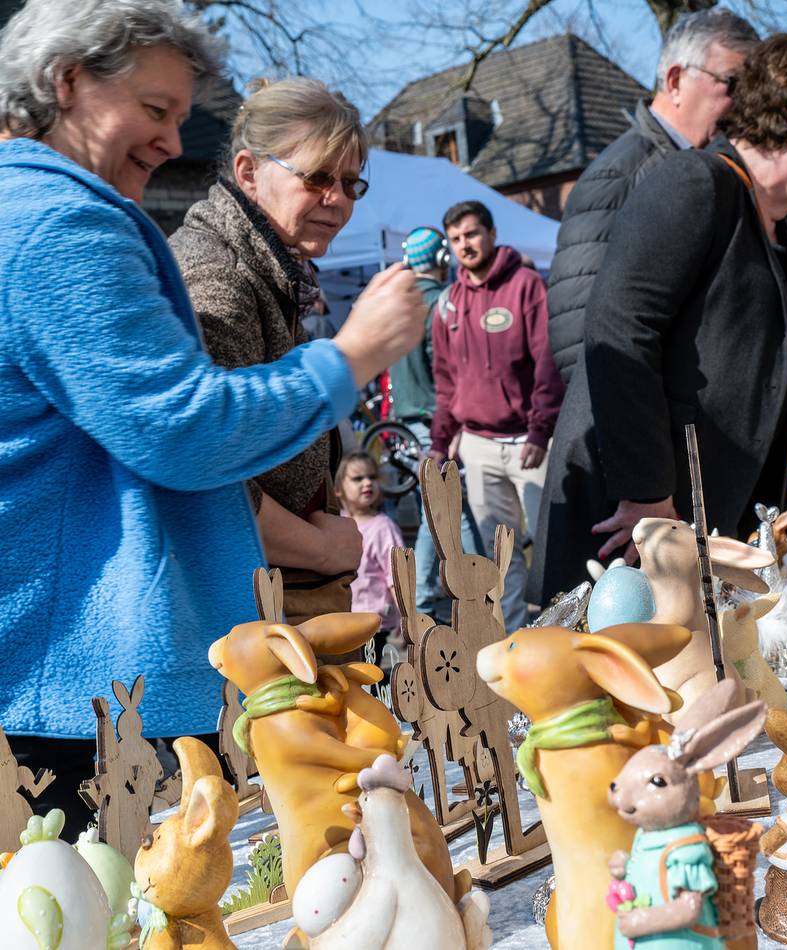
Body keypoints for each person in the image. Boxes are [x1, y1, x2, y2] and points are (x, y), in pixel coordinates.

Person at [0, 0, 424, 837]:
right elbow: (185, 432)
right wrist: (354, 356)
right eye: (154, 111)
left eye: (177, 117)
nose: (166, 140)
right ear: (67, 81)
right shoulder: (63, 227)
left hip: (73, 678)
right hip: (84, 690)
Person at [529, 34, 787, 606]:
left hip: (698, 516)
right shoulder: (694, 184)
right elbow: (619, 331)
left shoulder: (786, 235)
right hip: (633, 517)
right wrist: (648, 497)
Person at [170, 78, 370, 624]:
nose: (338, 201)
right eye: (319, 178)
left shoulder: (266, 262)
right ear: (248, 172)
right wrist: (322, 549)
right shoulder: (217, 278)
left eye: (352, 184)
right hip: (245, 606)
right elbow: (203, 473)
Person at [546, 8, 759, 384]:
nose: (744, 104)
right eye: (733, 84)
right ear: (676, 80)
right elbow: (579, 336)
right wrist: (640, 434)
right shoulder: (621, 175)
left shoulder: (714, 171)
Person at [431, 200, 564, 629]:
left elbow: (548, 361)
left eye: (470, 234)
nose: (464, 245)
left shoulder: (526, 286)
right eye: (455, 239)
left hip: (530, 442)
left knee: (551, 548)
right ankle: (512, 647)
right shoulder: (448, 303)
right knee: (498, 558)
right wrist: (439, 442)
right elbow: (446, 379)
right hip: (478, 445)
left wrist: (540, 432)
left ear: (490, 233)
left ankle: (565, 638)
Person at [389, 226, 482, 622]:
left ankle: (425, 603)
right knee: (448, 512)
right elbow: (448, 373)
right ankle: (476, 596)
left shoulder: (398, 305)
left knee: (432, 513)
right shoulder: (442, 305)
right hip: (435, 422)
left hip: (403, 425)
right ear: (443, 260)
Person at [335, 450, 405, 660]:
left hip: (373, 622)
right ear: (338, 489)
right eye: (358, 478)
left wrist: (406, 614)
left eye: (372, 477)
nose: (367, 483)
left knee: (369, 676)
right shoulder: (336, 524)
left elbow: (397, 575)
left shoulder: (383, 527)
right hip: (342, 620)